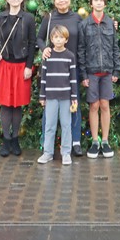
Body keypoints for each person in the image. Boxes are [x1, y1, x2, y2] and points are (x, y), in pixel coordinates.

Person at [0, 0, 36, 157]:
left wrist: (29, 66)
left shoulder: (29, 18)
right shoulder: (0, 17)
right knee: (5, 104)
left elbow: (32, 44)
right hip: (4, 65)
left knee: (17, 105)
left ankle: (15, 139)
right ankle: (6, 140)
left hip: (21, 66)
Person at [37, 0, 83, 155]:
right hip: (53, 69)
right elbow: (39, 38)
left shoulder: (77, 18)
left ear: (69, 0)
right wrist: (44, 49)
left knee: (74, 103)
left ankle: (75, 142)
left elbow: (85, 40)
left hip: (72, 68)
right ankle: (46, 144)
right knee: (50, 106)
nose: (61, 0)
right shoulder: (49, 18)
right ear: (54, 0)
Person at [77, 0, 120, 159]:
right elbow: (81, 50)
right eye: (95, 0)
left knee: (105, 105)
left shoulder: (110, 23)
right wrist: (84, 74)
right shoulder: (84, 25)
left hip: (107, 71)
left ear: (105, 3)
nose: (98, 3)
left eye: (101, 0)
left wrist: (116, 69)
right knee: (94, 106)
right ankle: (95, 141)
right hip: (92, 72)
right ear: (91, 4)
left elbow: (115, 48)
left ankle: (105, 141)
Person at [38, 25, 78, 165]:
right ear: (51, 39)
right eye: (56, 37)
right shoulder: (47, 56)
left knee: (66, 125)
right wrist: (42, 96)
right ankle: (48, 152)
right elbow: (43, 78)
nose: (59, 40)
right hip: (50, 96)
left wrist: (74, 98)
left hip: (66, 97)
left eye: (61, 37)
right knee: (49, 125)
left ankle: (66, 153)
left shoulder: (70, 56)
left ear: (66, 40)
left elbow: (73, 79)